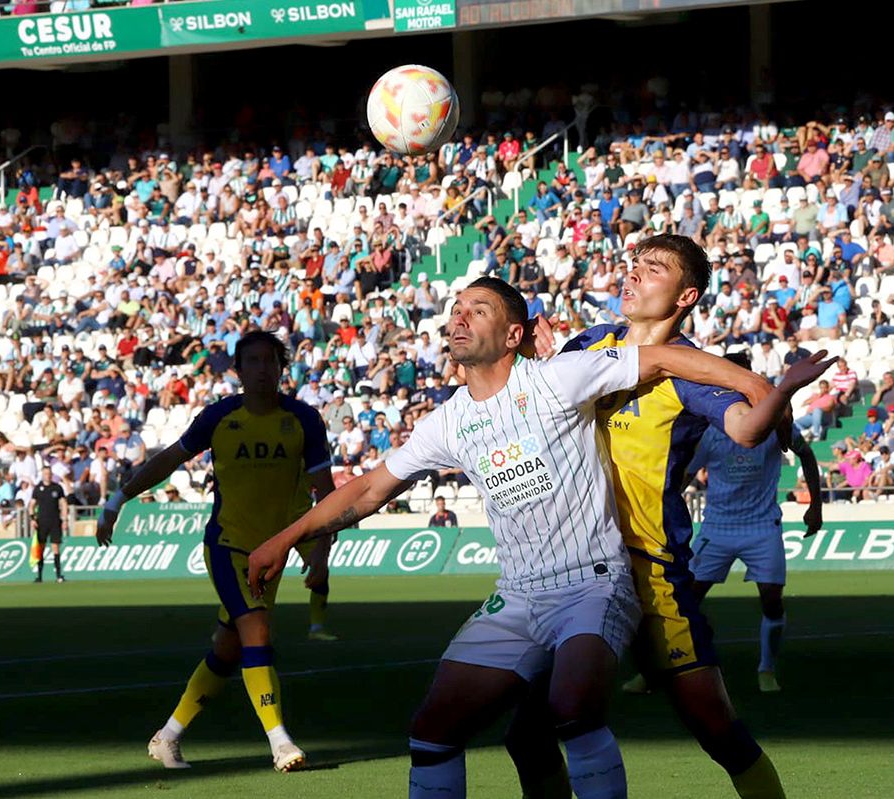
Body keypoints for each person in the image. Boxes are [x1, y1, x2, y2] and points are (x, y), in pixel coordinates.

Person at [247, 276, 805, 799]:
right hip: (516, 595)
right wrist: (285, 537)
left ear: (514, 334)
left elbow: (662, 356)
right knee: (433, 731)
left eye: (478, 310)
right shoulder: (447, 422)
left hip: (595, 584)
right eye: (457, 310)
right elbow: (369, 489)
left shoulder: (558, 377)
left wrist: (756, 385)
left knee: (573, 707)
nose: (460, 319)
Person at [517, 235, 835, 799]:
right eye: (632, 264)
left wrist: (781, 389)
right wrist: (545, 366)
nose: (633, 275)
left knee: (718, 731)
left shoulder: (691, 372)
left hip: (651, 573)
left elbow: (744, 429)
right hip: (575, 565)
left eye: (653, 269)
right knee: (530, 731)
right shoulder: (589, 342)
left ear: (686, 295)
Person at [95, 331, 337, 773]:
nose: (262, 369)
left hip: (274, 552)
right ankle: (281, 743)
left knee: (228, 650)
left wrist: (319, 556)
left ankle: (166, 737)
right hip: (227, 545)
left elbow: (328, 495)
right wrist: (118, 499)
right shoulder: (219, 417)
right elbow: (169, 460)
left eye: (270, 361)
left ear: (282, 368)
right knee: (257, 633)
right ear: (238, 370)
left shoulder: (304, 420)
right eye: (253, 361)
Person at [686, 351, 824, 694]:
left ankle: (766, 668)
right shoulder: (711, 429)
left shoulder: (776, 424)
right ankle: (668, 667)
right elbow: (683, 474)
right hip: (717, 528)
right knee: (685, 603)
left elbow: (806, 454)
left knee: (772, 601)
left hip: (762, 528)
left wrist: (816, 506)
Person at [31, 466, 69, 583]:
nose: (47, 475)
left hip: (55, 521)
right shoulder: (38, 488)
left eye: (49, 473)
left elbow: (63, 503)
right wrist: (32, 519)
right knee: (40, 548)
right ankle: (39, 576)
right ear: (42, 475)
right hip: (42, 522)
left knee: (55, 547)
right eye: (45, 473)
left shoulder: (57, 488)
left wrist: (65, 519)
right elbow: (31, 504)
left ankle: (58, 575)